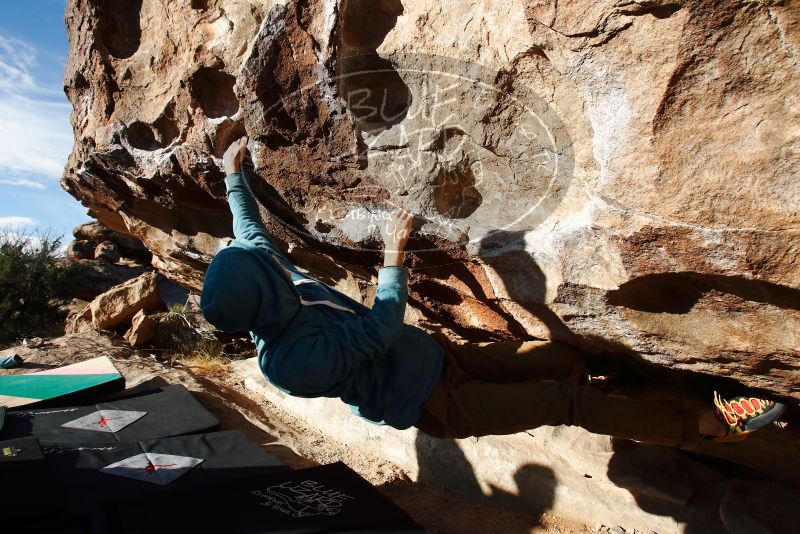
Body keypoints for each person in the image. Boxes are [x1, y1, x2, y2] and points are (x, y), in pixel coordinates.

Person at [201, 137, 786, 449]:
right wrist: (394, 259)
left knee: (566, 358)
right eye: (262, 269)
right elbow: (377, 331)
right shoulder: (291, 363)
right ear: (261, 298)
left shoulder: (278, 284)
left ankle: (637, 400)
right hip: (437, 404)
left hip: (444, 358)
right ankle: (705, 427)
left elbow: (251, 234)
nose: (267, 261)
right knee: (564, 402)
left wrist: (233, 174)